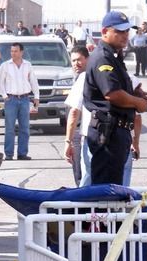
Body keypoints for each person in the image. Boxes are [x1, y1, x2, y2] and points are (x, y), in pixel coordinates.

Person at [83, 11, 147, 185]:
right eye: (119, 31)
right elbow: (112, 94)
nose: (125, 35)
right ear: (105, 31)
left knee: (113, 187)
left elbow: (119, 88)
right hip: (108, 131)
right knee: (106, 193)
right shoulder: (103, 57)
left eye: (127, 31)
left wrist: (135, 93)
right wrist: (138, 103)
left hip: (116, 131)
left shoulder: (114, 56)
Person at [0, 42, 40, 161]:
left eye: (16, 51)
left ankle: (22, 153)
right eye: (12, 51)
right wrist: (5, 96)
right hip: (11, 99)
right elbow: (0, 83)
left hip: (25, 99)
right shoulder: (5, 65)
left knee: (24, 128)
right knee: (10, 128)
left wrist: (36, 96)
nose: (13, 53)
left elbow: (33, 82)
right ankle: (9, 154)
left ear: (21, 52)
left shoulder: (28, 65)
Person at [63, 45, 90, 186]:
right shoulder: (77, 77)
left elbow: (74, 112)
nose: (76, 64)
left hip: (82, 133)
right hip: (79, 133)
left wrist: (68, 140)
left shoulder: (86, 77)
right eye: (73, 61)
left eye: (79, 60)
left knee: (82, 175)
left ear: (87, 59)